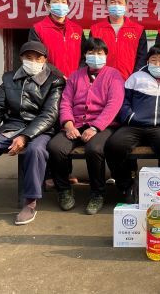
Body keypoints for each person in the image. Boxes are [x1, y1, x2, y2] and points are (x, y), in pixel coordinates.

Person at [0, 42, 65, 226]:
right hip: (12, 127)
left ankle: (30, 202)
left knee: (36, 151)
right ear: (21, 58)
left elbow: (49, 114)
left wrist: (25, 136)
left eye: (38, 58)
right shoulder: (9, 78)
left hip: (40, 129)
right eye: (28, 57)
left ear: (45, 60)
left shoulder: (55, 81)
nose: (33, 61)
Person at [47, 38, 124, 215]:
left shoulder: (114, 75)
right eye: (91, 52)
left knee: (94, 149)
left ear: (106, 55)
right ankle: (64, 190)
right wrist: (68, 124)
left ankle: (97, 193)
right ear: (85, 55)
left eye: (99, 53)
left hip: (103, 125)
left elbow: (114, 104)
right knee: (55, 147)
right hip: (75, 123)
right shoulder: (75, 76)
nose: (95, 56)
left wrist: (95, 127)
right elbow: (65, 102)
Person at [105, 43, 160, 201]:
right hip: (134, 126)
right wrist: (130, 118)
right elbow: (123, 102)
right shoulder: (136, 78)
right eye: (153, 60)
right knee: (114, 146)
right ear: (147, 61)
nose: (157, 64)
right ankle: (126, 185)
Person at [89, 0, 148, 80]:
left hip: (129, 81)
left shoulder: (138, 30)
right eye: (112, 2)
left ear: (126, 6)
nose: (116, 5)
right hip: (101, 81)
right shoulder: (95, 29)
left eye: (120, 2)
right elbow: (90, 56)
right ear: (106, 6)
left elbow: (142, 58)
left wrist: (134, 78)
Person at [29, 0, 84, 78]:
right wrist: (58, 75)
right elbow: (36, 58)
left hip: (75, 81)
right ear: (48, 6)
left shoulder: (77, 29)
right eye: (56, 2)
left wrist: (78, 75)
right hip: (49, 80)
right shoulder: (38, 29)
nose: (60, 5)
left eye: (63, 2)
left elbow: (84, 56)